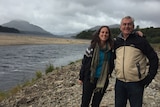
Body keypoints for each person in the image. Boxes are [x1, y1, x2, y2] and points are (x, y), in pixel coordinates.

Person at [114, 16, 159, 107]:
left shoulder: (140, 41)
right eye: (124, 24)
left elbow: (154, 58)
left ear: (133, 26)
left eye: (129, 24)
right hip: (119, 82)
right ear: (120, 27)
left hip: (136, 83)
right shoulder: (117, 42)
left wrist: (149, 77)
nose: (127, 26)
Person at [78, 26, 114, 107]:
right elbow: (84, 63)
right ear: (99, 34)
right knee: (85, 103)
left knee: (96, 104)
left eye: (106, 32)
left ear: (109, 35)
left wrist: (137, 33)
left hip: (102, 79)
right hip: (89, 78)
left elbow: (123, 39)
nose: (104, 34)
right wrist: (81, 77)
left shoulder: (111, 49)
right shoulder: (91, 48)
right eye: (102, 32)